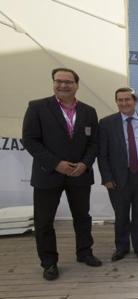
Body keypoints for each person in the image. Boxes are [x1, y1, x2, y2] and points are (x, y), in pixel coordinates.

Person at [22, 67, 102, 280]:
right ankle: (49, 263)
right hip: (48, 173)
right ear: (53, 83)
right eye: (59, 81)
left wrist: (85, 164)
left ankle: (85, 252)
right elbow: (30, 140)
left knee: (82, 217)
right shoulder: (37, 107)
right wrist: (56, 163)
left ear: (76, 85)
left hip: (79, 174)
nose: (63, 85)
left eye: (68, 82)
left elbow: (94, 143)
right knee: (44, 221)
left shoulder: (89, 111)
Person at [98, 87, 138, 262]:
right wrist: (107, 178)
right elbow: (102, 154)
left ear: (135, 101)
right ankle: (122, 248)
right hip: (118, 178)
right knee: (121, 215)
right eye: (120, 100)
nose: (123, 103)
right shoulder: (106, 123)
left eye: (127, 100)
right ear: (116, 101)